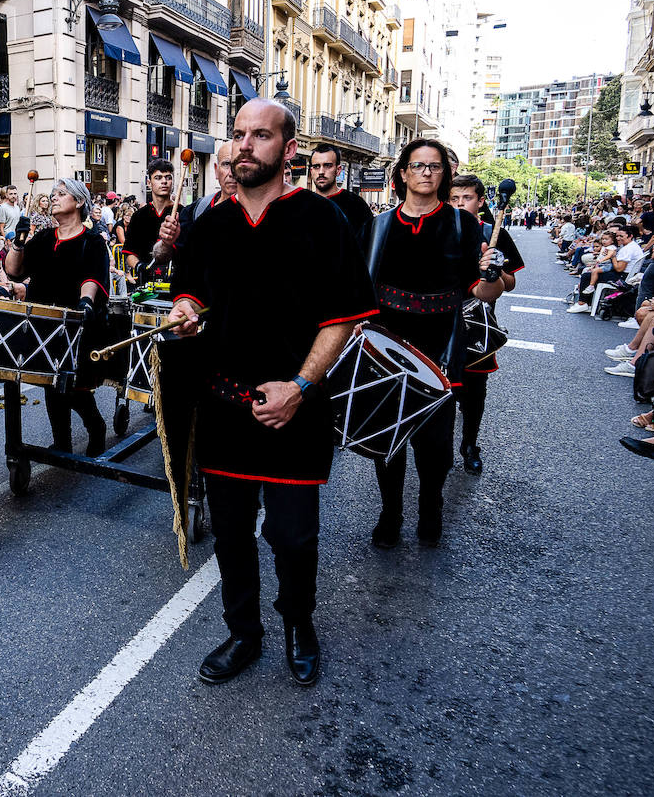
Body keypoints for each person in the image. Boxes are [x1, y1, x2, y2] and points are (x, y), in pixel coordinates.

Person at [168, 99, 377, 687]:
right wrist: (185, 310)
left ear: (288, 151)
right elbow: (192, 294)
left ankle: (297, 623)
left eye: (260, 136)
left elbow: (342, 318)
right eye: (238, 135)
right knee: (231, 535)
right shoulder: (211, 223)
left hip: (296, 411)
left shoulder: (322, 219)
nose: (243, 146)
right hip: (224, 406)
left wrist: (302, 386)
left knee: (292, 536)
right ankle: (243, 632)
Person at [366, 139, 502, 551]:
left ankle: (431, 506)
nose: (426, 172)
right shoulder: (379, 226)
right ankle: (390, 513)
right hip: (387, 341)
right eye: (417, 165)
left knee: (435, 443)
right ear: (402, 173)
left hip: (442, 342)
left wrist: (491, 272)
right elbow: (360, 286)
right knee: (387, 439)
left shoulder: (465, 227)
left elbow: (482, 292)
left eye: (434, 166)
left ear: (444, 174)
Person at [2, 179, 111, 455]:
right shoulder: (43, 238)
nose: (54, 198)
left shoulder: (93, 241)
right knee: (50, 384)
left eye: (61, 194)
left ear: (79, 202)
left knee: (74, 387)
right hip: (44, 324)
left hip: (77, 324)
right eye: (53, 194)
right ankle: (62, 442)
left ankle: (95, 426)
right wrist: (18, 242)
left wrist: (86, 301)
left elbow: (93, 278)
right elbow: (15, 271)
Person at [448, 175, 523, 474]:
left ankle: (469, 444)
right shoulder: (440, 229)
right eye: (453, 198)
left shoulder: (494, 232)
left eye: (465, 198)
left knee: (474, 394)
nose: (458, 204)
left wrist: (495, 270)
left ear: (480, 202)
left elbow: (512, 283)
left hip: (477, 326)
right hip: (440, 322)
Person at [153, 141, 242, 267]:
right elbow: (161, 257)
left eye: (238, 164)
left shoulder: (262, 214)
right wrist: (166, 242)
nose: (232, 173)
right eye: (226, 164)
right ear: (216, 171)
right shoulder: (196, 211)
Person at [124, 159, 178, 283]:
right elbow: (129, 252)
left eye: (168, 177)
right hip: (147, 284)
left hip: (175, 283)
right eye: (158, 178)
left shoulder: (184, 213)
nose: (164, 181)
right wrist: (139, 266)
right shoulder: (139, 216)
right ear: (149, 182)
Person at [308, 143, 372, 245]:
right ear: (311, 171)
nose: (321, 172)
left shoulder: (356, 205)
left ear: (338, 170)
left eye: (327, 166)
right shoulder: (304, 205)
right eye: (316, 166)